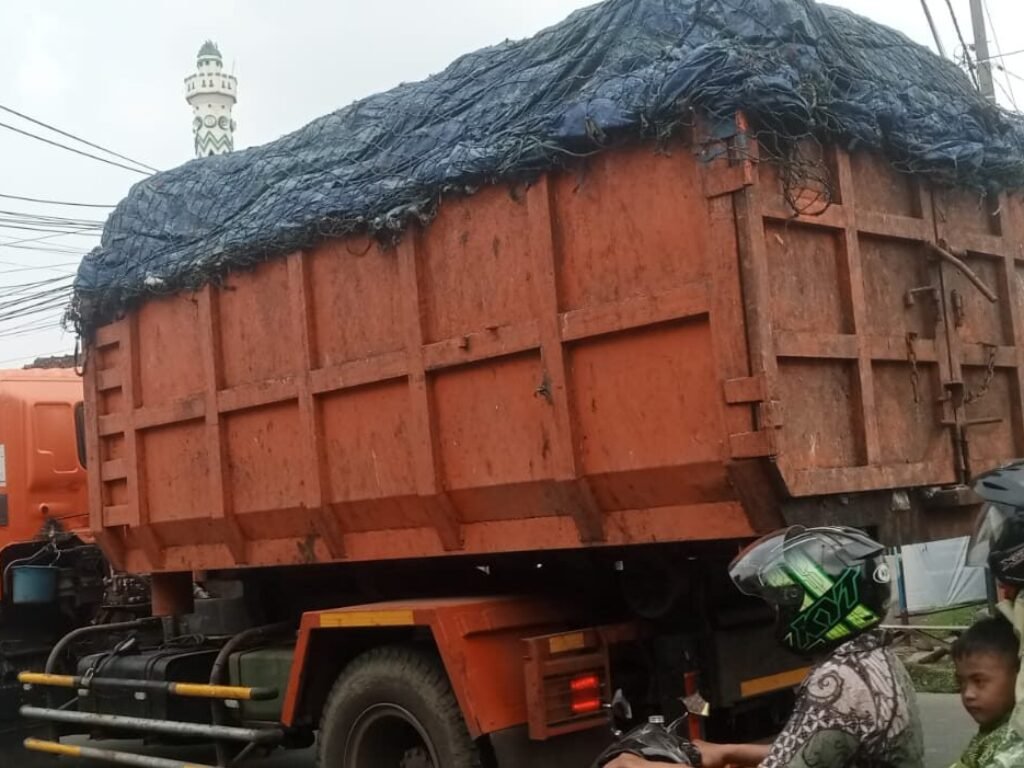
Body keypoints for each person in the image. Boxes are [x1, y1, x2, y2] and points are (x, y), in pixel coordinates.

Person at [605, 525, 923, 768]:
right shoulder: (874, 659)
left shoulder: (839, 684)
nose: (777, 614)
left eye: (784, 603)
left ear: (822, 603)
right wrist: (729, 750)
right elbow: (808, 751)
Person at [950, 617, 1024, 768]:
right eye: (961, 683)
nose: (968, 694)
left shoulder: (1016, 741)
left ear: (1019, 675)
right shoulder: (992, 730)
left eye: (979, 681)